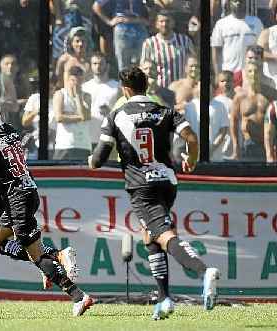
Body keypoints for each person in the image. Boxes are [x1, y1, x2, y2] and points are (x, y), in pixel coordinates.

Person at [87, 67, 220, 320]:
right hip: (168, 182)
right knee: (150, 236)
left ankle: (204, 272)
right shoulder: (165, 111)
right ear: (146, 86)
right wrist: (190, 160)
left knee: (163, 234)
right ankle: (164, 298)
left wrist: (91, 161)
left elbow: (101, 156)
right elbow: (191, 137)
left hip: (142, 186)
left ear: (125, 90)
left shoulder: (116, 115)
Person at [0, 99, 93, 316]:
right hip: (27, 190)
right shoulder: (11, 131)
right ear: (0, 114)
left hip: (17, 197)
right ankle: (56, 258)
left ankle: (77, 295)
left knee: (35, 254)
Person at [140, 10, 195, 88]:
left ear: (173, 23)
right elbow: (143, 68)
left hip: (180, 89)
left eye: (168, 21)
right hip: (160, 90)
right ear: (156, 24)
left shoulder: (185, 40)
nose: (164, 24)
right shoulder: (149, 43)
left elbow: (194, 63)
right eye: (161, 21)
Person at [92, 0, 149, 72]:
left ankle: (140, 82)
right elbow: (96, 6)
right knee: (124, 66)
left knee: (143, 63)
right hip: (123, 28)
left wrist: (147, 20)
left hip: (140, 27)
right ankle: (125, 82)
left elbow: (153, 5)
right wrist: (109, 21)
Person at [211, 0, 263, 77]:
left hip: (250, 74)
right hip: (229, 74)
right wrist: (217, 74)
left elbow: (261, 50)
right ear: (229, 3)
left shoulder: (256, 22)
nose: (238, 3)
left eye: (241, 1)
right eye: (235, 1)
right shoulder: (221, 24)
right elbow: (215, 50)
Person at [231, 62, 269, 161]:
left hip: (265, 143)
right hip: (248, 143)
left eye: (256, 71)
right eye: (250, 71)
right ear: (246, 74)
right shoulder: (240, 96)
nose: (253, 74)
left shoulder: (268, 95)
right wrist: (236, 146)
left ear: (260, 73)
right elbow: (233, 121)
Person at [53, 66, 92, 160]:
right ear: (68, 79)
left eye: (79, 80)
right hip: (64, 144)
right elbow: (59, 118)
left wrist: (78, 96)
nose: (76, 83)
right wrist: (80, 117)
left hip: (83, 145)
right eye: (73, 80)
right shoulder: (60, 94)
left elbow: (86, 116)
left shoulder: (86, 96)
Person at [81, 52, 119, 147]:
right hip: (87, 136)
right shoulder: (84, 87)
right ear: (90, 66)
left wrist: (110, 112)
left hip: (108, 136)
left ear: (107, 65)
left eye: (101, 63)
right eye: (95, 63)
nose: (98, 66)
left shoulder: (116, 87)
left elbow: (122, 112)